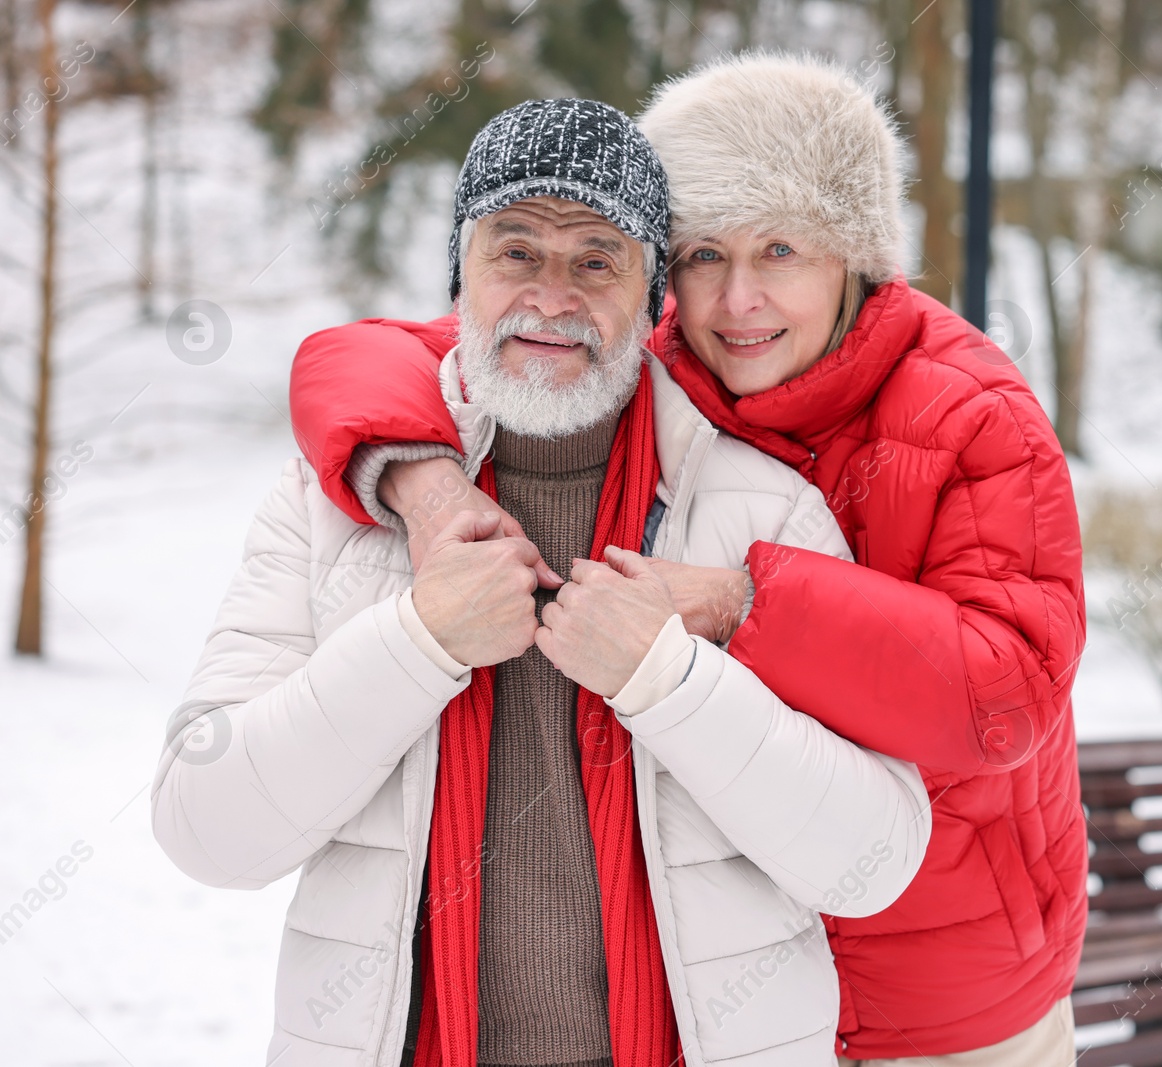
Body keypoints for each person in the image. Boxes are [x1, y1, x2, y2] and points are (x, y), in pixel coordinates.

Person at [286, 55, 1088, 1066]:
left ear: (854, 254)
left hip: (934, 987)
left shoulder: (969, 412)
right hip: (727, 992)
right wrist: (423, 482)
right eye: (705, 254)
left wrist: (740, 598)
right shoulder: (657, 357)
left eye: (781, 249)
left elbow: (1008, 691)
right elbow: (360, 356)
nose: (739, 299)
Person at [151, 97, 931, 1067]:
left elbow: (873, 859)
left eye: (597, 259)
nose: (552, 297)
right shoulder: (336, 505)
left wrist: (668, 680)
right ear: (461, 275)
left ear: (655, 300)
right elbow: (205, 829)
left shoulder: (764, 512)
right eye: (515, 251)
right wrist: (417, 642)